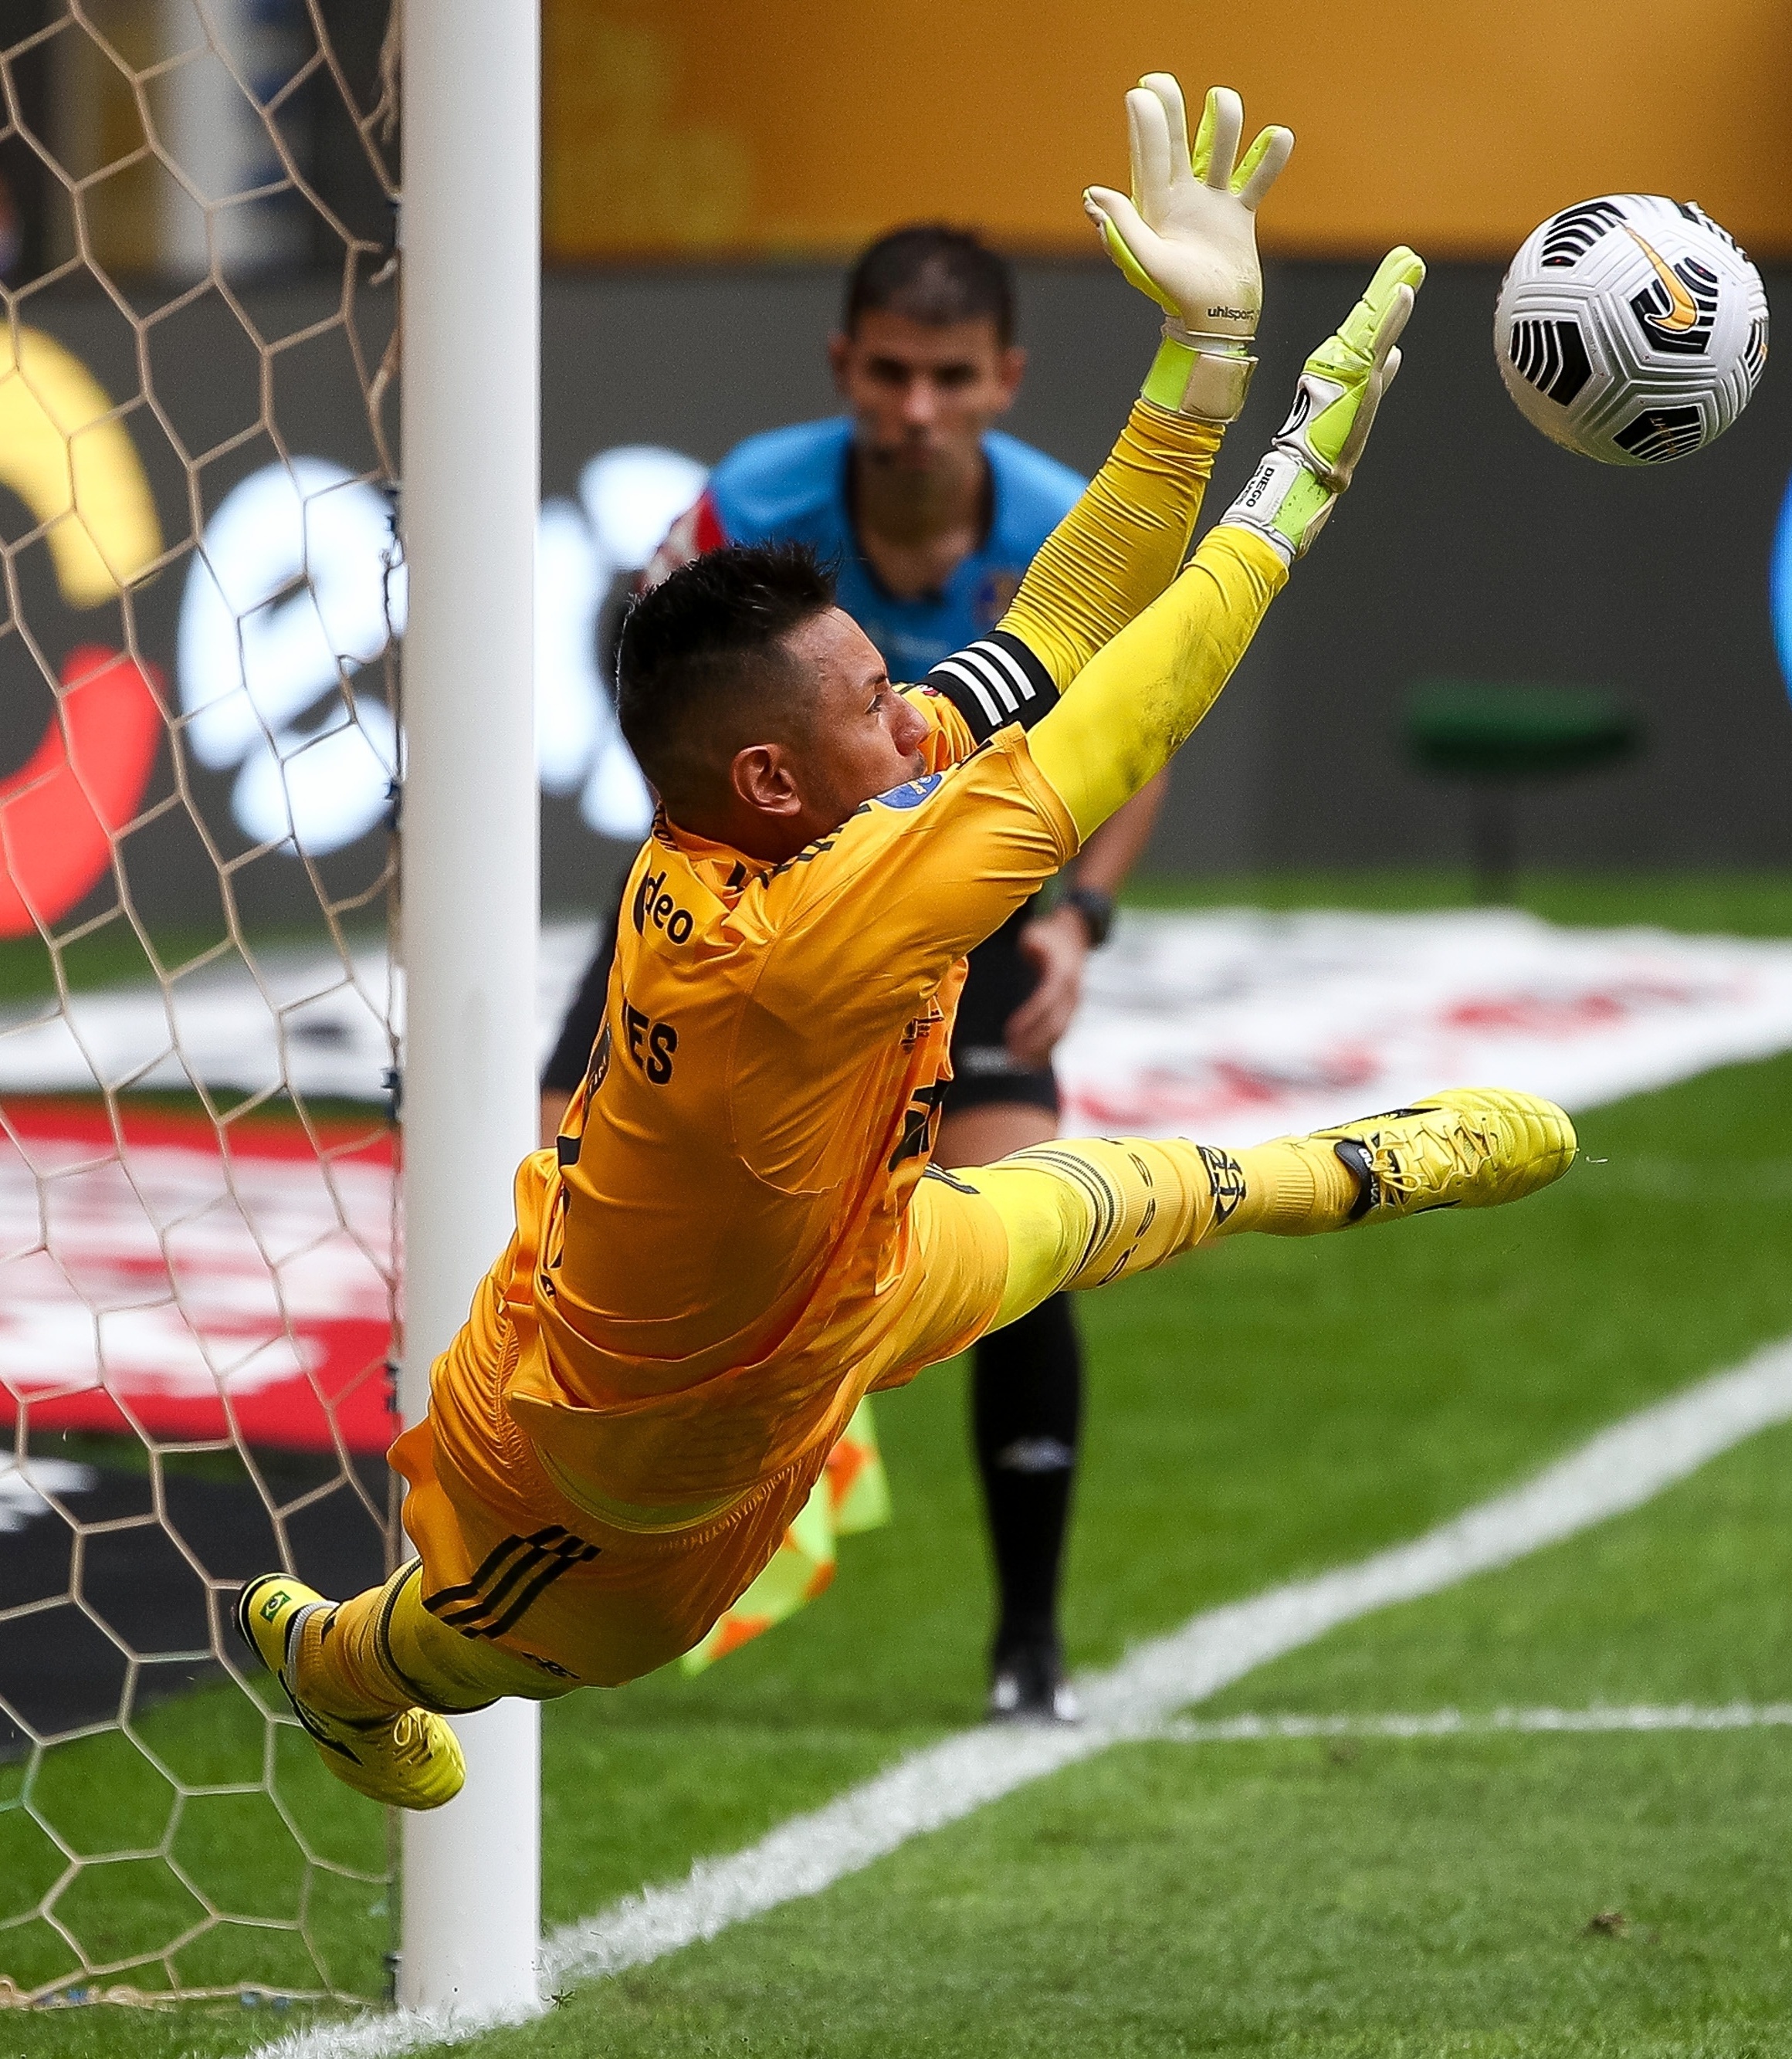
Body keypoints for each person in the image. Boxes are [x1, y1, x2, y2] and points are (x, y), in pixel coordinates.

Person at [239, 76, 1576, 1811]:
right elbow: (1102, 729)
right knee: (498, 1649)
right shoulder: (801, 929)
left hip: (844, 1266)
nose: (920, 707)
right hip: (613, 1467)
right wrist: (1290, 492)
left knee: (1133, 1197)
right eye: (882, 695)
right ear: (777, 769)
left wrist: (1211, 355)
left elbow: (1059, 627)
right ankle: (343, 1665)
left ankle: (1376, 1166)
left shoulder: (813, 802)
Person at [539, 225, 1169, 1721]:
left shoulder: (1060, 527)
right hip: (744, 909)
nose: (916, 407)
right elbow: (646, 668)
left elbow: (1132, 733)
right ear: (843, 368)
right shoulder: (748, 498)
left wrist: (1076, 911)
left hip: (962, 912)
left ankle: (1027, 1639)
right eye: (889, 371)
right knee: (555, 1188)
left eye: (951, 376)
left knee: (1025, 1244)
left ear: (1005, 379)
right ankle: (564, 1562)